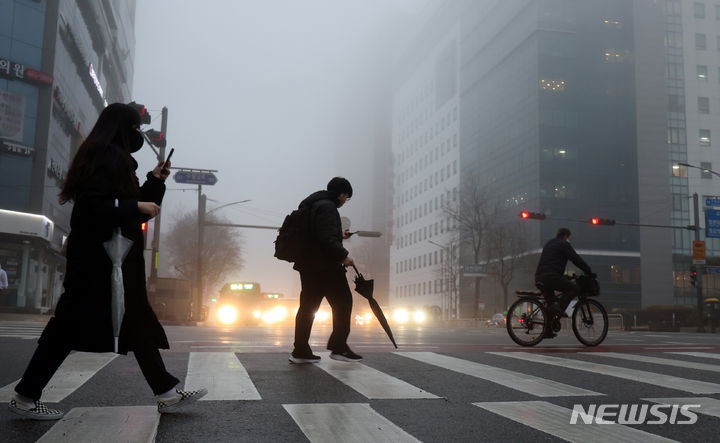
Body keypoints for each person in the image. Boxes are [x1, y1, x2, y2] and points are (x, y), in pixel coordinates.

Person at [8, 103, 206, 420]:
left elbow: (125, 202)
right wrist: (135, 207)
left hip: (107, 259)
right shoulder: (106, 157)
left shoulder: (108, 157)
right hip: (101, 262)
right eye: (135, 127)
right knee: (70, 327)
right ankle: (26, 394)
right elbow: (92, 207)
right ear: (123, 128)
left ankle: (166, 392)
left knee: (132, 321)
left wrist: (154, 182)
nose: (139, 133)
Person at [289, 177, 361, 363]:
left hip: (309, 265)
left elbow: (318, 235)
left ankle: (300, 351)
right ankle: (339, 347)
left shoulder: (314, 204)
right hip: (326, 267)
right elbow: (326, 239)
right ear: (342, 194)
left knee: (307, 308)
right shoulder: (328, 207)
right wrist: (343, 256)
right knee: (344, 303)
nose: (345, 201)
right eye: (347, 197)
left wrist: (340, 235)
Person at [535, 227, 593, 337]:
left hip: (540, 277)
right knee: (575, 289)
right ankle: (560, 307)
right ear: (566, 236)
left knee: (551, 304)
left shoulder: (549, 243)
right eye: (569, 237)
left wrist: (564, 277)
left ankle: (547, 330)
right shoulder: (564, 244)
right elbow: (576, 259)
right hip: (551, 277)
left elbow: (551, 262)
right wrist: (588, 270)